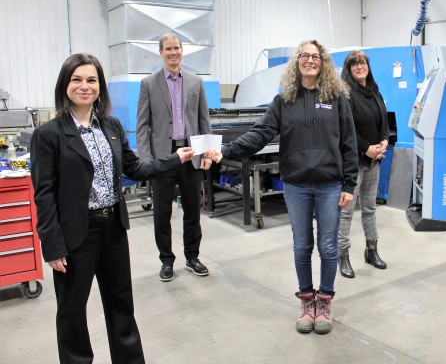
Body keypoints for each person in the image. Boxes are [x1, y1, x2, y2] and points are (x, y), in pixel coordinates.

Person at [30, 53, 203, 363]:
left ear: (100, 86)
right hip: (75, 235)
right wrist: (52, 246)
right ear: (65, 84)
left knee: (121, 305)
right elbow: (43, 195)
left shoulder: (110, 126)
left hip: (113, 229)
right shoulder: (49, 135)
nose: (85, 86)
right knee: (71, 312)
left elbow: (135, 167)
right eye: (77, 79)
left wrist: (176, 159)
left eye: (92, 80)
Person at [204, 40, 359, 334]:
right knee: (302, 245)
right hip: (296, 184)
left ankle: (324, 301)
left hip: (329, 184)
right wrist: (228, 150)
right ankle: (306, 301)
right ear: (297, 62)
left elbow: (349, 143)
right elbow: (261, 133)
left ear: (323, 62)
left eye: (315, 56)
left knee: (327, 246)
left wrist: (349, 183)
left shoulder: (337, 97)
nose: (310, 60)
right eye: (305, 56)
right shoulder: (283, 100)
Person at [136, 32, 213, 282]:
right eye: (168, 49)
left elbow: (204, 122)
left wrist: (206, 153)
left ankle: (192, 257)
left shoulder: (195, 82)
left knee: (193, 210)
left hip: (191, 153)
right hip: (163, 157)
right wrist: (148, 162)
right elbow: (142, 126)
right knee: (162, 213)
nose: (173, 53)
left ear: (182, 51)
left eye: (176, 48)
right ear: (161, 52)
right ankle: (166, 261)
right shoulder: (148, 84)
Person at [337, 50, 389, 278]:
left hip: (374, 161)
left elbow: (383, 121)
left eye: (362, 63)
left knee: (369, 208)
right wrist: (366, 147)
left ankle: (372, 250)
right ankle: (343, 256)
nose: (359, 67)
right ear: (348, 69)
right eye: (354, 64)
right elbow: (345, 128)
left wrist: (384, 141)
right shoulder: (344, 93)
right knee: (346, 212)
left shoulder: (374, 91)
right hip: (353, 162)